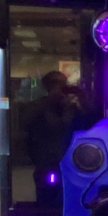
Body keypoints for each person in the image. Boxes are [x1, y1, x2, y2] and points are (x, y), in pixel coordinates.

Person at [23, 71, 84, 206]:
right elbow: (27, 125)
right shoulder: (36, 107)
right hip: (44, 163)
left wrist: (72, 106)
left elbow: (81, 128)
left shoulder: (72, 108)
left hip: (70, 166)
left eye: (61, 85)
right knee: (44, 204)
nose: (57, 89)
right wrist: (46, 104)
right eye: (53, 84)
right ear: (46, 86)